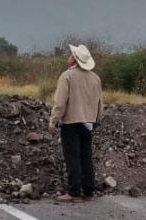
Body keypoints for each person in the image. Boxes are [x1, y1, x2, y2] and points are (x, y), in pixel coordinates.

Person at [48, 44, 104, 203]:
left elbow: (60, 102)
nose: (69, 55)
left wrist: (53, 121)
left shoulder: (67, 76)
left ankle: (73, 192)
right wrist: (97, 119)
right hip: (89, 123)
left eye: (71, 54)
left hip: (71, 123)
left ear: (75, 59)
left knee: (73, 158)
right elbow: (100, 103)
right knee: (86, 157)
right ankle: (88, 191)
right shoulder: (95, 77)